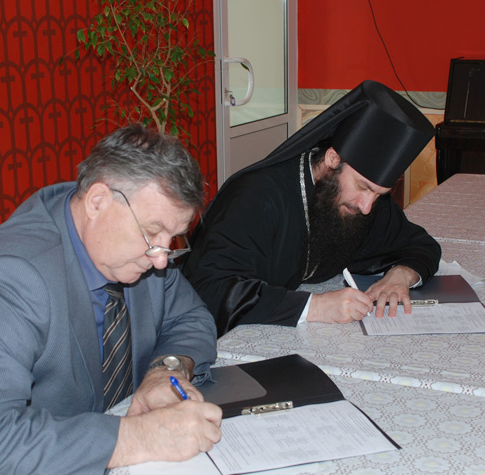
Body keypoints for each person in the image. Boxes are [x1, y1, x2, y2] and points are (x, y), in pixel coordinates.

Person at [0, 124, 222, 475]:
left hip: (82, 464)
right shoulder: (13, 278)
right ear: (97, 201)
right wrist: (139, 436)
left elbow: (191, 318)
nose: (162, 257)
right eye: (151, 233)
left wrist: (166, 371)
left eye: (173, 239)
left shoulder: (132, 252)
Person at [182, 80, 442, 336]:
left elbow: (420, 245)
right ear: (333, 159)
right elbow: (211, 288)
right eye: (363, 187)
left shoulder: (363, 202)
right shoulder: (255, 197)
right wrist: (315, 306)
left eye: (379, 194)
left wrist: (400, 276)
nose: (367, 207)